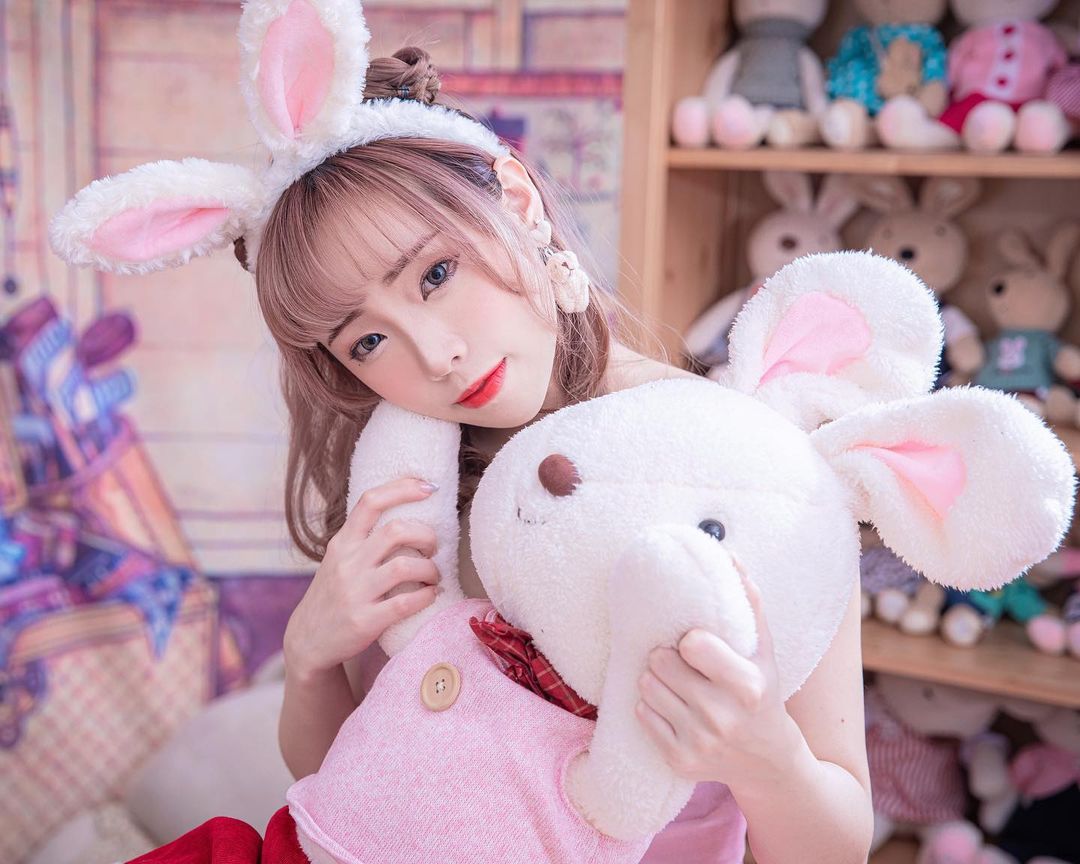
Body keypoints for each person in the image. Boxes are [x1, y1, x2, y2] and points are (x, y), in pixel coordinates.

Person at [49, 3, 873, 861]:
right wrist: (311, 657)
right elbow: (356, 783)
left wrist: (766, 758)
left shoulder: (749, 468)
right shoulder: (420, 480)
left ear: (516, 200)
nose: (434, 355)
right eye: (367, 341)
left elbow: (840, 846)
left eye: (436, 274)